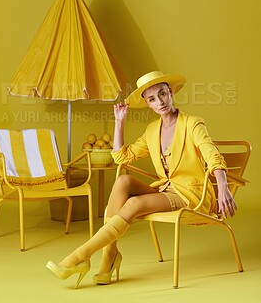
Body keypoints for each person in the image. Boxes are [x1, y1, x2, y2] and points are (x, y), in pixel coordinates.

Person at [46, 70, 237, 288]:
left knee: (133, 203)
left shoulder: (192, 124)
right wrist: (119, 123)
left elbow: (211, 153)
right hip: (166, 191)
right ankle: (110, 255)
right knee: (122, 182)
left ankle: (79, 256)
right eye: (153, 99)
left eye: (163, 94)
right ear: (148, 104)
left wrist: (222, 184)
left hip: (190, 195)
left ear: (171, 92)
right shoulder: (152, 130)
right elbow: (122, 157)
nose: (160, 102)